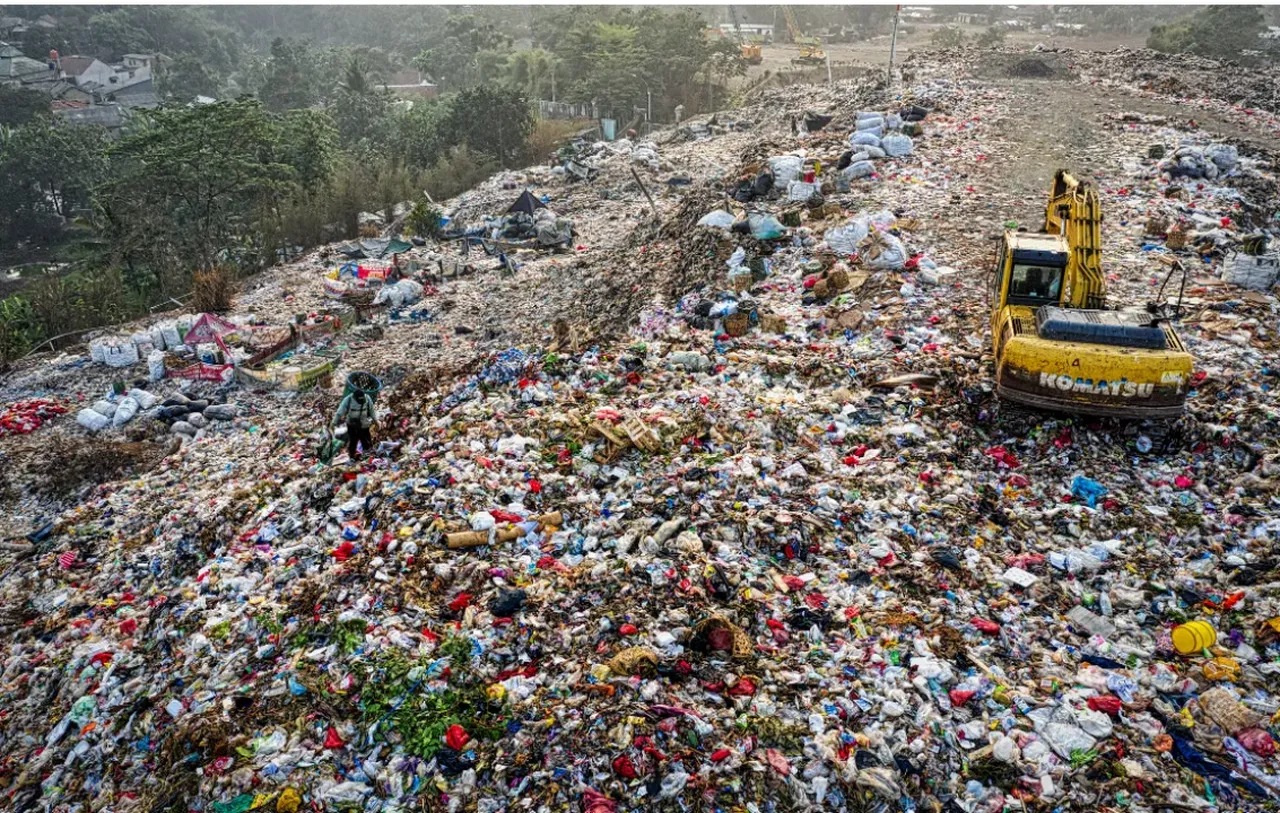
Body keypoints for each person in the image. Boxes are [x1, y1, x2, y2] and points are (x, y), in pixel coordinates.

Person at [334, 389, 377, 459]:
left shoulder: (367, 398)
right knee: (353, 441)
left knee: (366, 440)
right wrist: (334, 423)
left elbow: (371, 410)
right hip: (351, 423)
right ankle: (352, 457)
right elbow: (340, 411)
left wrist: (376, 421)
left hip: (363, 423)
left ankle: (369, 455)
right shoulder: (348, 399)